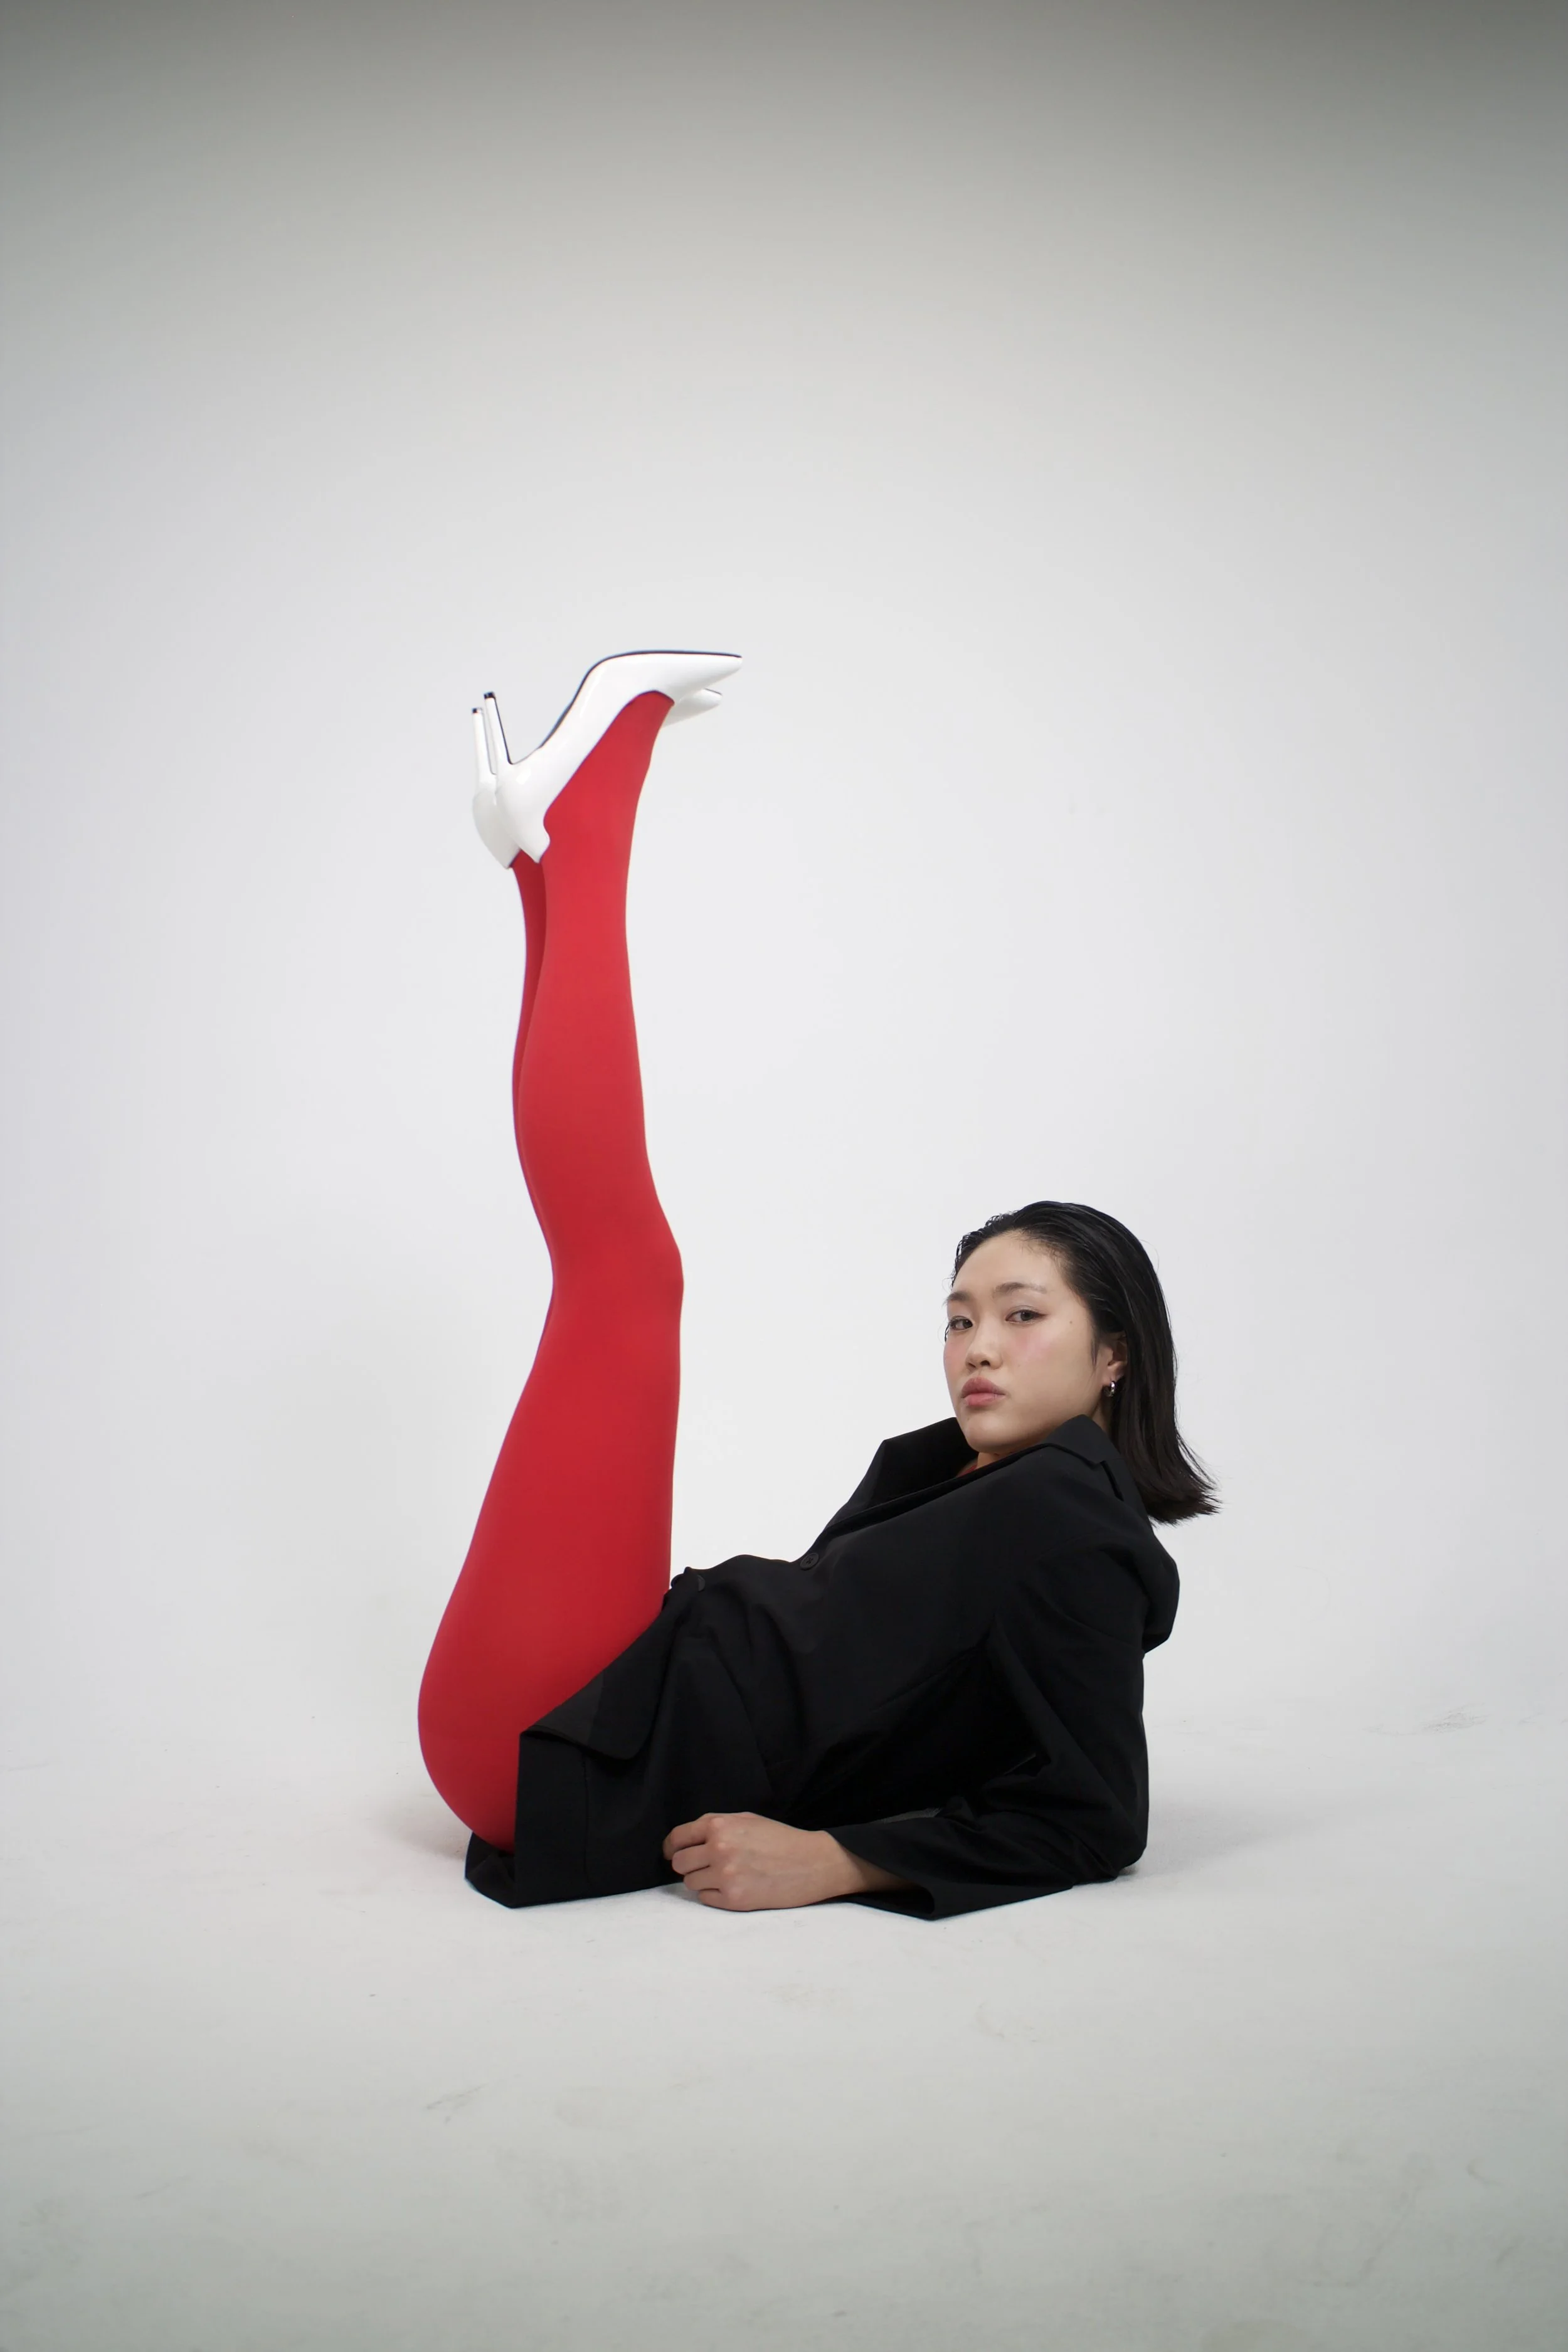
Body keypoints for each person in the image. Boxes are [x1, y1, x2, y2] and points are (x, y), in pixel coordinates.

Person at [418, 651, 1215, 1919]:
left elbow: (1095, 1813)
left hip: (565, 1740)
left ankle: (564, 842)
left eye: (1020, 1317)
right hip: (591, 1700)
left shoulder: (1076, 1525)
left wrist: (842, 1858)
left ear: (1111, 1356)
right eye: (959, 1317)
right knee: (618, 1274)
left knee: (623, 1276)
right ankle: (542, 862)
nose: (975, 1347)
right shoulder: (977, 1485)